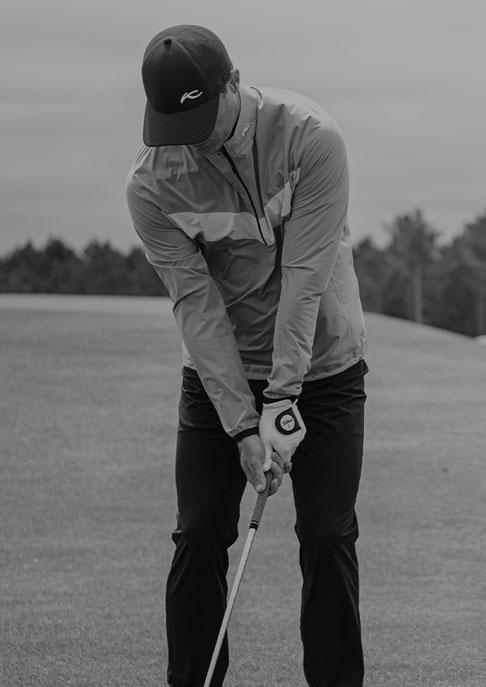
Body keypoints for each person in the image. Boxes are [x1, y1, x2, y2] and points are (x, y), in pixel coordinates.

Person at [126, 23, 368, 687]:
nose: (195, 140)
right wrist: (241, 421)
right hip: (219, 373)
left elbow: (305, 279)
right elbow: (197, 310)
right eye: (179, 127)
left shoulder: (310, 139)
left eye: (204, 117)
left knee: (326, 533)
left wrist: (284, 400)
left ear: (235, 83)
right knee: (200, 531)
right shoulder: (152, 187)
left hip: (324, 364)